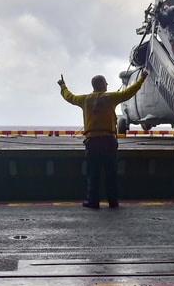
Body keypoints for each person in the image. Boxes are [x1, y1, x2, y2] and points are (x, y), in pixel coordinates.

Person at [58, 69, 148, 209]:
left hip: (92, 142)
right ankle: (113, 201)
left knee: (93, 174)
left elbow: (69, 97)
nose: (107, 85)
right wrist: (141, 78)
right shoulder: (110, 98)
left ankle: (93, 201)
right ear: (102, 84)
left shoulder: (85, 99)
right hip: (108, 141)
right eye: (106, 83)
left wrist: (63, 86)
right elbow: (129, 92)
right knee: (111, 174)